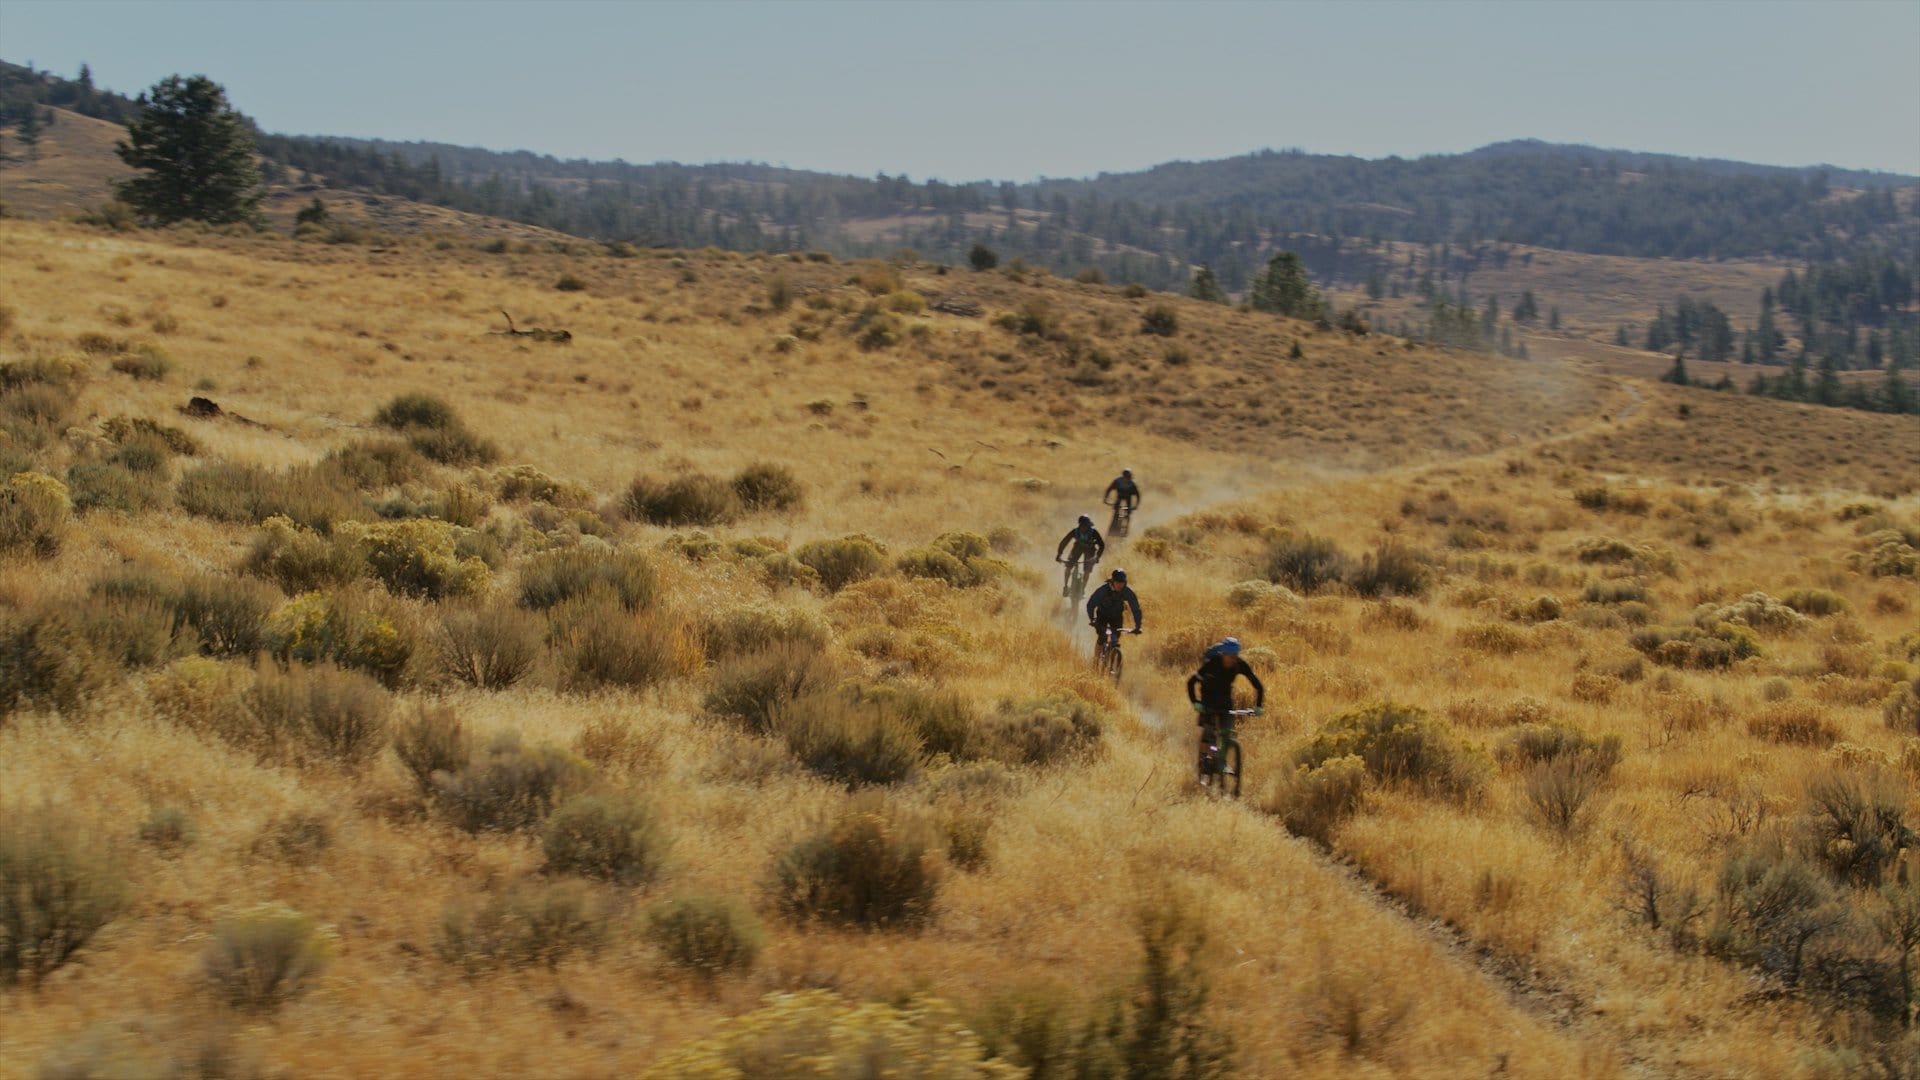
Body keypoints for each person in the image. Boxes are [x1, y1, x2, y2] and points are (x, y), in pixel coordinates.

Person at [1186, 637, 1264, 764]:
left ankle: (1220, 760)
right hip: (1208, 697)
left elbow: (1258, 686)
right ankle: (1204, 761)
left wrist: (1259, 706)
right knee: (1209, 731)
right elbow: (1191, 682)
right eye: (1230, 656)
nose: (1233, 659)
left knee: (1227, 731)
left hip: (1225, 698)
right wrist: (1195, 702)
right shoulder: (1212, 663)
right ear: (1223, 654)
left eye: (1235, 656)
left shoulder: (1239, 664)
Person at [1085, 567, 1142, 656]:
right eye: (1117, 582)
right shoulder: (1103, 590)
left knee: (1115, 638)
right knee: (1102, 637)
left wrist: (1138, 626)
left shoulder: (1127, 591)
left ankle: (1113, 656)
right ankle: (1095, 662)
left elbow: (1136, 609)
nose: (1120, 585)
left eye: (1122, 583)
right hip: (1102, 615)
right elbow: (1091, 604)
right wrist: (1092, 619)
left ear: (1125, 582)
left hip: (1116, 616)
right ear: (1112, 581)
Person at [1054, 514, 1105, 596]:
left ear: (1088, 526)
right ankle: (1066, 586)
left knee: (1087, 570)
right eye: (1082, 525)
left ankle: (1083, 589)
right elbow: (1064, 542)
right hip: (1077, 549)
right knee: (1068, 566)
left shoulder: (1094, 532)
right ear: (1079, 525)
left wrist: (1097, 557)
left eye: (1085, 526)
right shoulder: (1075, 531)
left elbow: (1101, 545)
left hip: (1090, 550)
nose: (1083, 527)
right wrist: (1059, 554)